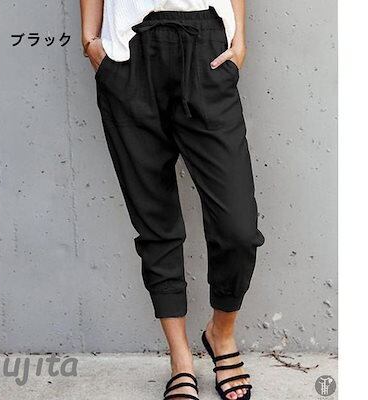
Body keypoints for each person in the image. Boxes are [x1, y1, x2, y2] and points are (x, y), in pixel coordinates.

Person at [80, 1, 264, 399]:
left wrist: (240, 40)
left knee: (238, 228)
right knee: (155, 218)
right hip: (129, 52)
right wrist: (90, 39)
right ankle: (180, 359)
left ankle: (221, 334)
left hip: (207, 46)